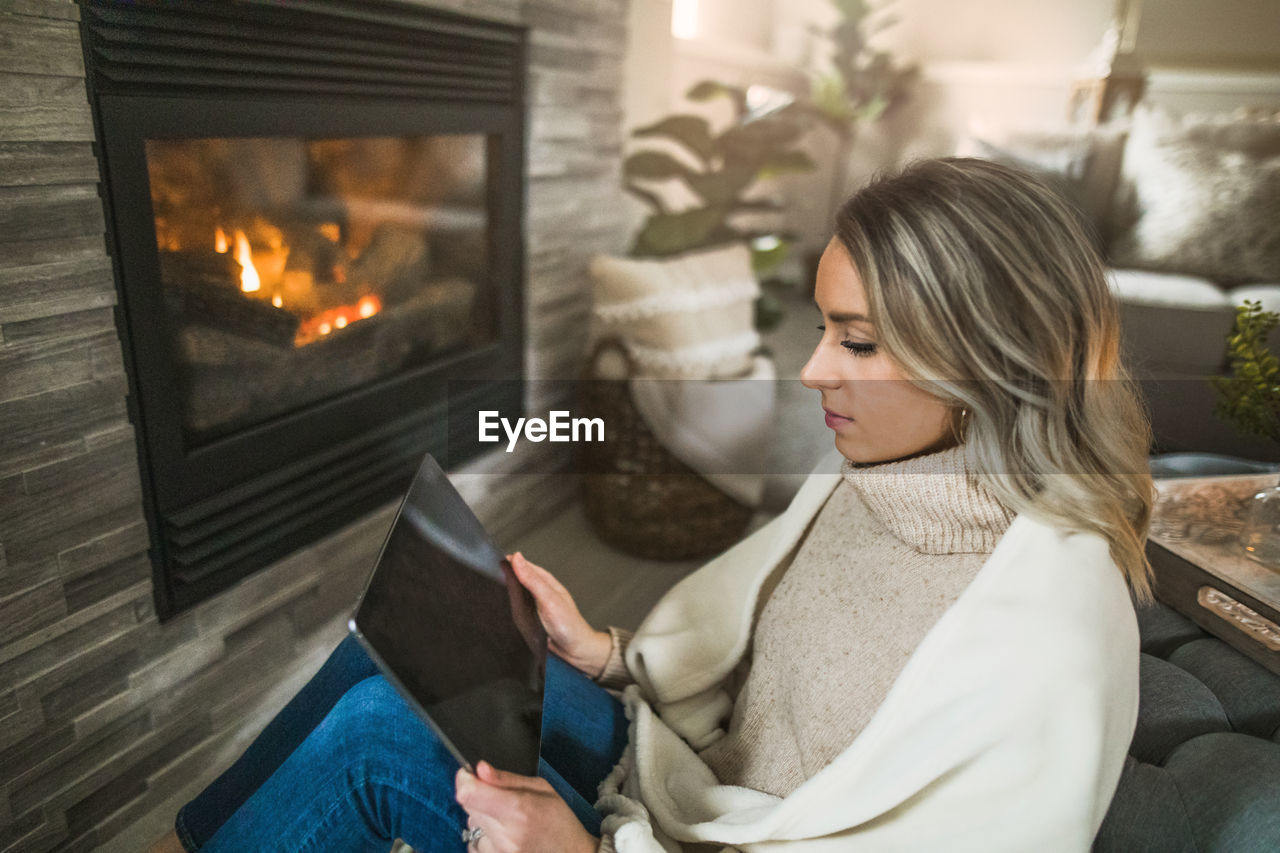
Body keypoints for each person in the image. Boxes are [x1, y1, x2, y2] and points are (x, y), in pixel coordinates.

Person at [149, 157, 1155, 853]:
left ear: (986, 357)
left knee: (377, 733)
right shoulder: (898, 481)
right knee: (397, 644)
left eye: (855, 341)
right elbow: (765, 677)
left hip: (675, 834)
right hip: (675, 785)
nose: (809, 371)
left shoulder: (1039, 642)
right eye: (823, 328)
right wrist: (607, 654)